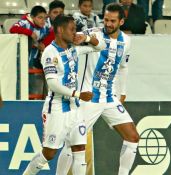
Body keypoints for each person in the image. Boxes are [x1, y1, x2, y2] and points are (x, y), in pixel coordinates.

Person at [56, 3, 139, 175]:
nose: (107, 24)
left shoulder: (126, 41)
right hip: (89, 98)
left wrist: (122, 92)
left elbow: (123, 67)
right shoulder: (93, 33)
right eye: (106, 19)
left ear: (122, 22)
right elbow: (74, 38)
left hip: (108, 98)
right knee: (72, 144)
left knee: (132, 137)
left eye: (112, 21)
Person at [22, 15, 106, 175]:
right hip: (57, 109)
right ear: (60, 30)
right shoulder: (50, 52)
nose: (75, 33)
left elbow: (100, 47)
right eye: (72, 29)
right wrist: (78, 93)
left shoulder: (73, 48)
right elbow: (52, 84)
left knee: (80, 150)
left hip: (75, 108)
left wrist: (87, 37)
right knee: (48, 154)